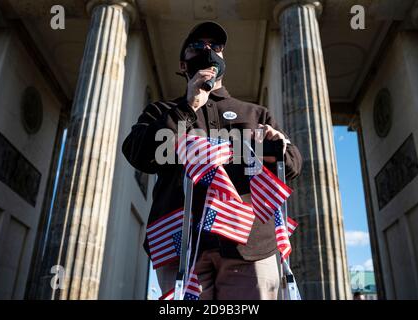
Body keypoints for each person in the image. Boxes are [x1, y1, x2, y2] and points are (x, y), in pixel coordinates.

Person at [122, 21, 303, 300]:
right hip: (182, 246)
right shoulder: (161, 111)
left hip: (250, 243)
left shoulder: (256, 113)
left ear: (223, 58)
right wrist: (188, 107)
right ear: (183, 65)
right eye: (197, 46)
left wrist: (280, 144)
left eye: (215, 47)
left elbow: (291, 166)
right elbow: (140, 155)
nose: (208, 50)